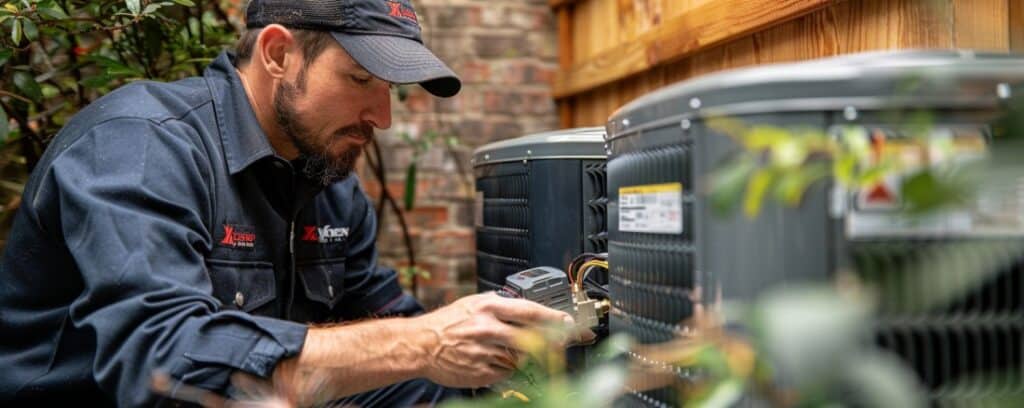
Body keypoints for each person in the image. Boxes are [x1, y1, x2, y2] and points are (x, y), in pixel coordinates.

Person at [0, 0, 580, 406]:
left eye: (390, 90)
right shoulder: (140, 146)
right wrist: (427, 343)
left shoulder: (328, 185)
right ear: (278, 53)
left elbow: (395, 350)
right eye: (360, 80)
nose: (382, 116)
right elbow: (168, 367)